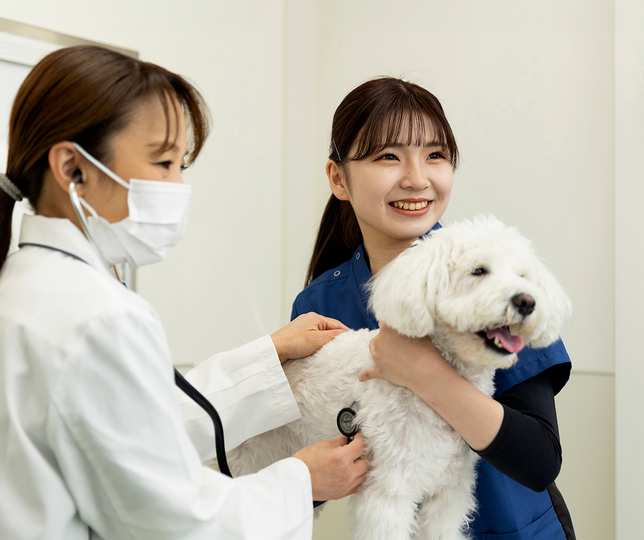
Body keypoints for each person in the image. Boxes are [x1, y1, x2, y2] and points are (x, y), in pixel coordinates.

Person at [0, 45, 368, 540]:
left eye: (182, 167)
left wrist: (268, 355)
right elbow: (174, 521)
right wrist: (300, 480)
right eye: (163, 163)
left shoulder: (25, 282)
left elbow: (134, 426)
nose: (176, 186)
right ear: (72, 169)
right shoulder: (98, 316)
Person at [292, 77, 576, 539]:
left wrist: (426, 374)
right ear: (338, 178)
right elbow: (320, 456)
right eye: (388, 156)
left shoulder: (499, 277)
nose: (417, 178)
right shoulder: (319, 303)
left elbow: (540, 459)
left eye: (435, 155)